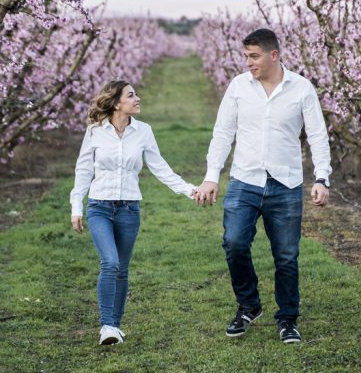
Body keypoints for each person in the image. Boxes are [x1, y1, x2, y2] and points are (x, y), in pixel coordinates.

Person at [195, 28, 331, 344]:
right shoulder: (239, 87)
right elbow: (223, 132)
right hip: (245, 181)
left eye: (254, 56)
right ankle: (248, 305)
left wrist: (322, 178)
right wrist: (212, 174)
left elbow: (317, 135)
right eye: (246, 56)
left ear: (273, 55)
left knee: (286, 256)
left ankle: (287, 319)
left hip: (286, 184)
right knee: (234, 242)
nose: (248, 63)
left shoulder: (301, 89)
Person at [71, 80, 198, 345]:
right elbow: (84, 170)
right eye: (131, 95)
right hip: (99, 207)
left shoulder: (143, 131)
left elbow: (159, 167)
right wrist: (76, 206)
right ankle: (106, 325)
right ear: (117, 103)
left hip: (129, 209)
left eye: (136, 94)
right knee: (110, 263)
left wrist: (188, 189)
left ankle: (114, 327)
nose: (138, 98)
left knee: (122, 269)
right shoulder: (95, 132)